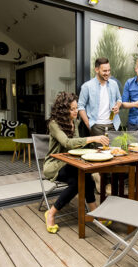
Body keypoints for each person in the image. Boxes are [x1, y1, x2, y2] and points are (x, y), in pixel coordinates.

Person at [43, 92, 109, 234]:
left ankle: (93, 213)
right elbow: (67, 143)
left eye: (76, 108)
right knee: (79, 181)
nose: (76, 111)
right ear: (63, 109)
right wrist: (92, 139)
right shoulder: (54, 124)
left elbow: (76, 147)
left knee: (85, 176)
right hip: (54, 165)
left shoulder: (75, 122)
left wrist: (92, 151)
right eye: (72, 109)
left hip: (70, 163)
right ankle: (51, 213)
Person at [78, 57, 122, 137]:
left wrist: (117, 106)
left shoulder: (114, 84)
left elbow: (119, 99)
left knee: (115, 149)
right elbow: (81, 107)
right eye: (104, 71)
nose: (107, 73)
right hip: (96, 126)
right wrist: (88, 124)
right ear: (97, 70)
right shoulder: (87, 86)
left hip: (113, 124)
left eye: (109, 70)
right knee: (101, 150)